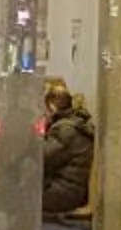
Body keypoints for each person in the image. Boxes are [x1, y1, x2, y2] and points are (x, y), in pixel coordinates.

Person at [40, 78, 97, 216]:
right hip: (73, 190)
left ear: (52, 107)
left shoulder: (64, 130)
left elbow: (42, 160)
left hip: (63, 192)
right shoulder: (75, 124)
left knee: (16, 194)